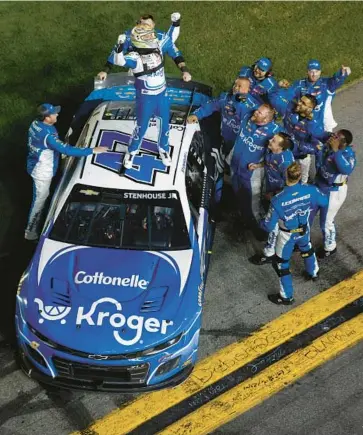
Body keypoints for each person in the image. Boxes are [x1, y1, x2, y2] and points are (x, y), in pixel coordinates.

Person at [110, 25, 191, 169]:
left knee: (165, 125)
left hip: (162, 96)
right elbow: (120, 61)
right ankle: (132, 151)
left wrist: (176, 24)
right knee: (141, 128)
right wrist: (119, 48)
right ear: (140, 40)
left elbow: (171, 39)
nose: (152, 37)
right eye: (148, 36)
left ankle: (164, 149)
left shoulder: (157, 48)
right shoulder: (135, 57)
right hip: (145, 99)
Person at [25, 104, 108, 241]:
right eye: (54, 114)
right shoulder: (48, 135)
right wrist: (93, 150)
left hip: (34, 163)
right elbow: (67, 150)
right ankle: (30, 233)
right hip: (42, 171)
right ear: (47, 117)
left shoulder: (35, 124)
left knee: (43, 196)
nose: (57, 115)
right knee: (40, 200)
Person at [260, 162, 328, 305]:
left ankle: (286, 296)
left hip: (287, 235)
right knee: (307, 250)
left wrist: (260, 222)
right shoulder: (311, 190)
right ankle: (313, 272)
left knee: (282, 264)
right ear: (299, 176)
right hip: (304, 229)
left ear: (286, 176)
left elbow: (268, 226)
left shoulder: (277, 200)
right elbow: (324, 201)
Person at [228, 104, 281, 230]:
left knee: (253, 204)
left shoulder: (275, 132)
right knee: (238, 193)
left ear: (266, 120)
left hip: (252, 174)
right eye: (257, 110)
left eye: (259, 113)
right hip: (235, 166)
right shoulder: (248, 117)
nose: (255, 113)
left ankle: (259, 229)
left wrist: (259, 165)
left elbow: (277, 157)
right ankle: (243, 215)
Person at [249, 132, 295, 265]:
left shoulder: (286, 162)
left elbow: (290, 186)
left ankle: (269, 252)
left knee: (274, 224)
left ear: (280, 147)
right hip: (271, 192)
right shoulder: (272, 151)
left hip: (279, 198)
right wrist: (257, 166)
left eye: (274, 140)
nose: (270, 140)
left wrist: (274, 194)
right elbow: (269, 163)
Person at [97, 13, 185, 81]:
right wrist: (105, 71)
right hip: (136, 71)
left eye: (147, 25)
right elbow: (116, 53)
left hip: (157, 72)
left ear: (153, 25)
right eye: (141, 24)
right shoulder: (129, 36)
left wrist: (185, 71)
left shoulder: (162, 38)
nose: (143, 27)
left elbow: (175, 53)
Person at [311, 129, 356, 258]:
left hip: (334, 191)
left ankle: (330, 247)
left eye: (336, 137)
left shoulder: (348, 155)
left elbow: (346, 169)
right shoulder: (329, 143)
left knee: (326, 222)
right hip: (319, 184)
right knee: (308, 213)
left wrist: (336, 151)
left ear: (343, 143)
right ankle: (301, 241)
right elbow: (316, 132)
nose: (332, 137)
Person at [278, 59, 351, 131]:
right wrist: (280, 88)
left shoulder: (326, 84)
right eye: (311, 71)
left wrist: (342, 74)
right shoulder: (299, 84)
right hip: (303, 123)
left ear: (320, 72)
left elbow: (335, 81)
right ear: (307, 72)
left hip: (322, 124)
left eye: (316, 71)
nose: (314, 74)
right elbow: (287, 97)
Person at [277, 94, 325, 184]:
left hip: (302, 158)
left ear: (310, 108)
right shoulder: (290, 111)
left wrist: (298, 145)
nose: (298, 103)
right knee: (285, 177)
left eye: (303, 103)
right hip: (287, 153)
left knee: (303, 180)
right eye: (300, 100)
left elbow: (316, 147)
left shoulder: (314, 125)